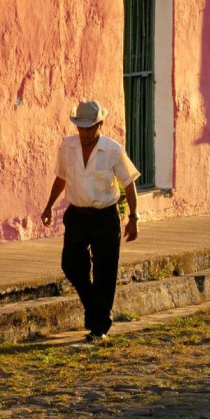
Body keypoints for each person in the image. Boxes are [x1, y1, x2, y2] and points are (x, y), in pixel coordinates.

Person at [41, 99, 140, 342]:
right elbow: (61, 178)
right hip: (76, 215)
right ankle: (94, 306)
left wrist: (133, 217)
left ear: (99, 125)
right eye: (80, 128)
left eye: (89, 128)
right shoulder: (68, 147)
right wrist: (49, 205)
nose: (84, 133)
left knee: (105, 271)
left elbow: (129, 184)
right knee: (71, 265)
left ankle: (99, 328)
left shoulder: (113, 150)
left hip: (105, 216)